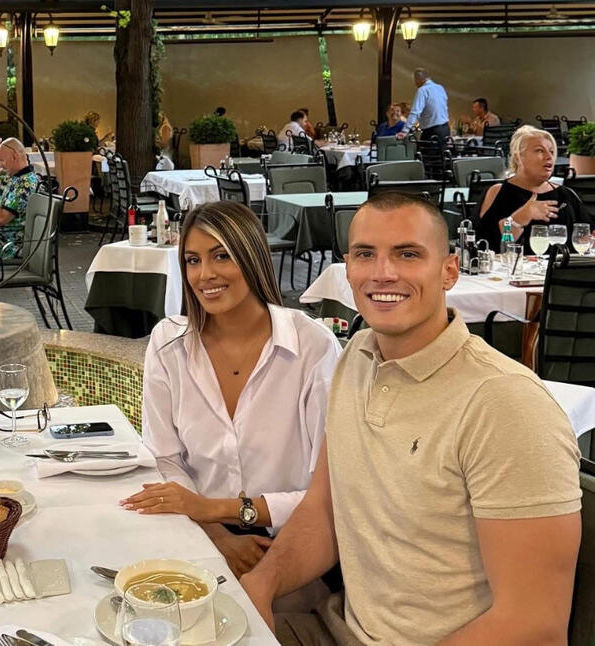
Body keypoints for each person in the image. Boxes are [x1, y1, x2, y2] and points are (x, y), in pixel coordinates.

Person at [242, 191, 581, 645]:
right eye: (366, 254)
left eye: (408, 254)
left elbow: (536, 624)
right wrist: (260, 585)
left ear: (449, 271)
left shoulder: (505, 404)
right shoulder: (357, 356)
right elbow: (324, 509)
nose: (383, 273)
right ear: (347, 268)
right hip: (337, 628)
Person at [121, 201, 341, 581]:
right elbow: (165, 458)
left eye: (221, 256)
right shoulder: (167, 343)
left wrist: (217, 510)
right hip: (198, 534)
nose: (205, 274)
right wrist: (218, 536)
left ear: (251, 256)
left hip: (296, 541)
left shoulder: (313, 348)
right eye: (192, 260)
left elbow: (329, 491)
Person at [477, 125, 592, 255]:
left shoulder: (566, 195)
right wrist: (520, 218)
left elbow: (587, 239)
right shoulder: (497, 193)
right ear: (518, 157)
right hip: (513, 267)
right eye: (539, 151)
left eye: (552, 152)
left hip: (563, 268)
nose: (549, 157)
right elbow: (483, 245)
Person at [397, 68, 449, 142]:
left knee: (424, 149)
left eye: (415, 81)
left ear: (418, 80)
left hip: (432, 130)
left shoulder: (422, 90)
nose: (415, 84)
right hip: (445, 129)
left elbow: (415, 112)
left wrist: (405, 131)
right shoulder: (440, 88)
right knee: (442, 149)